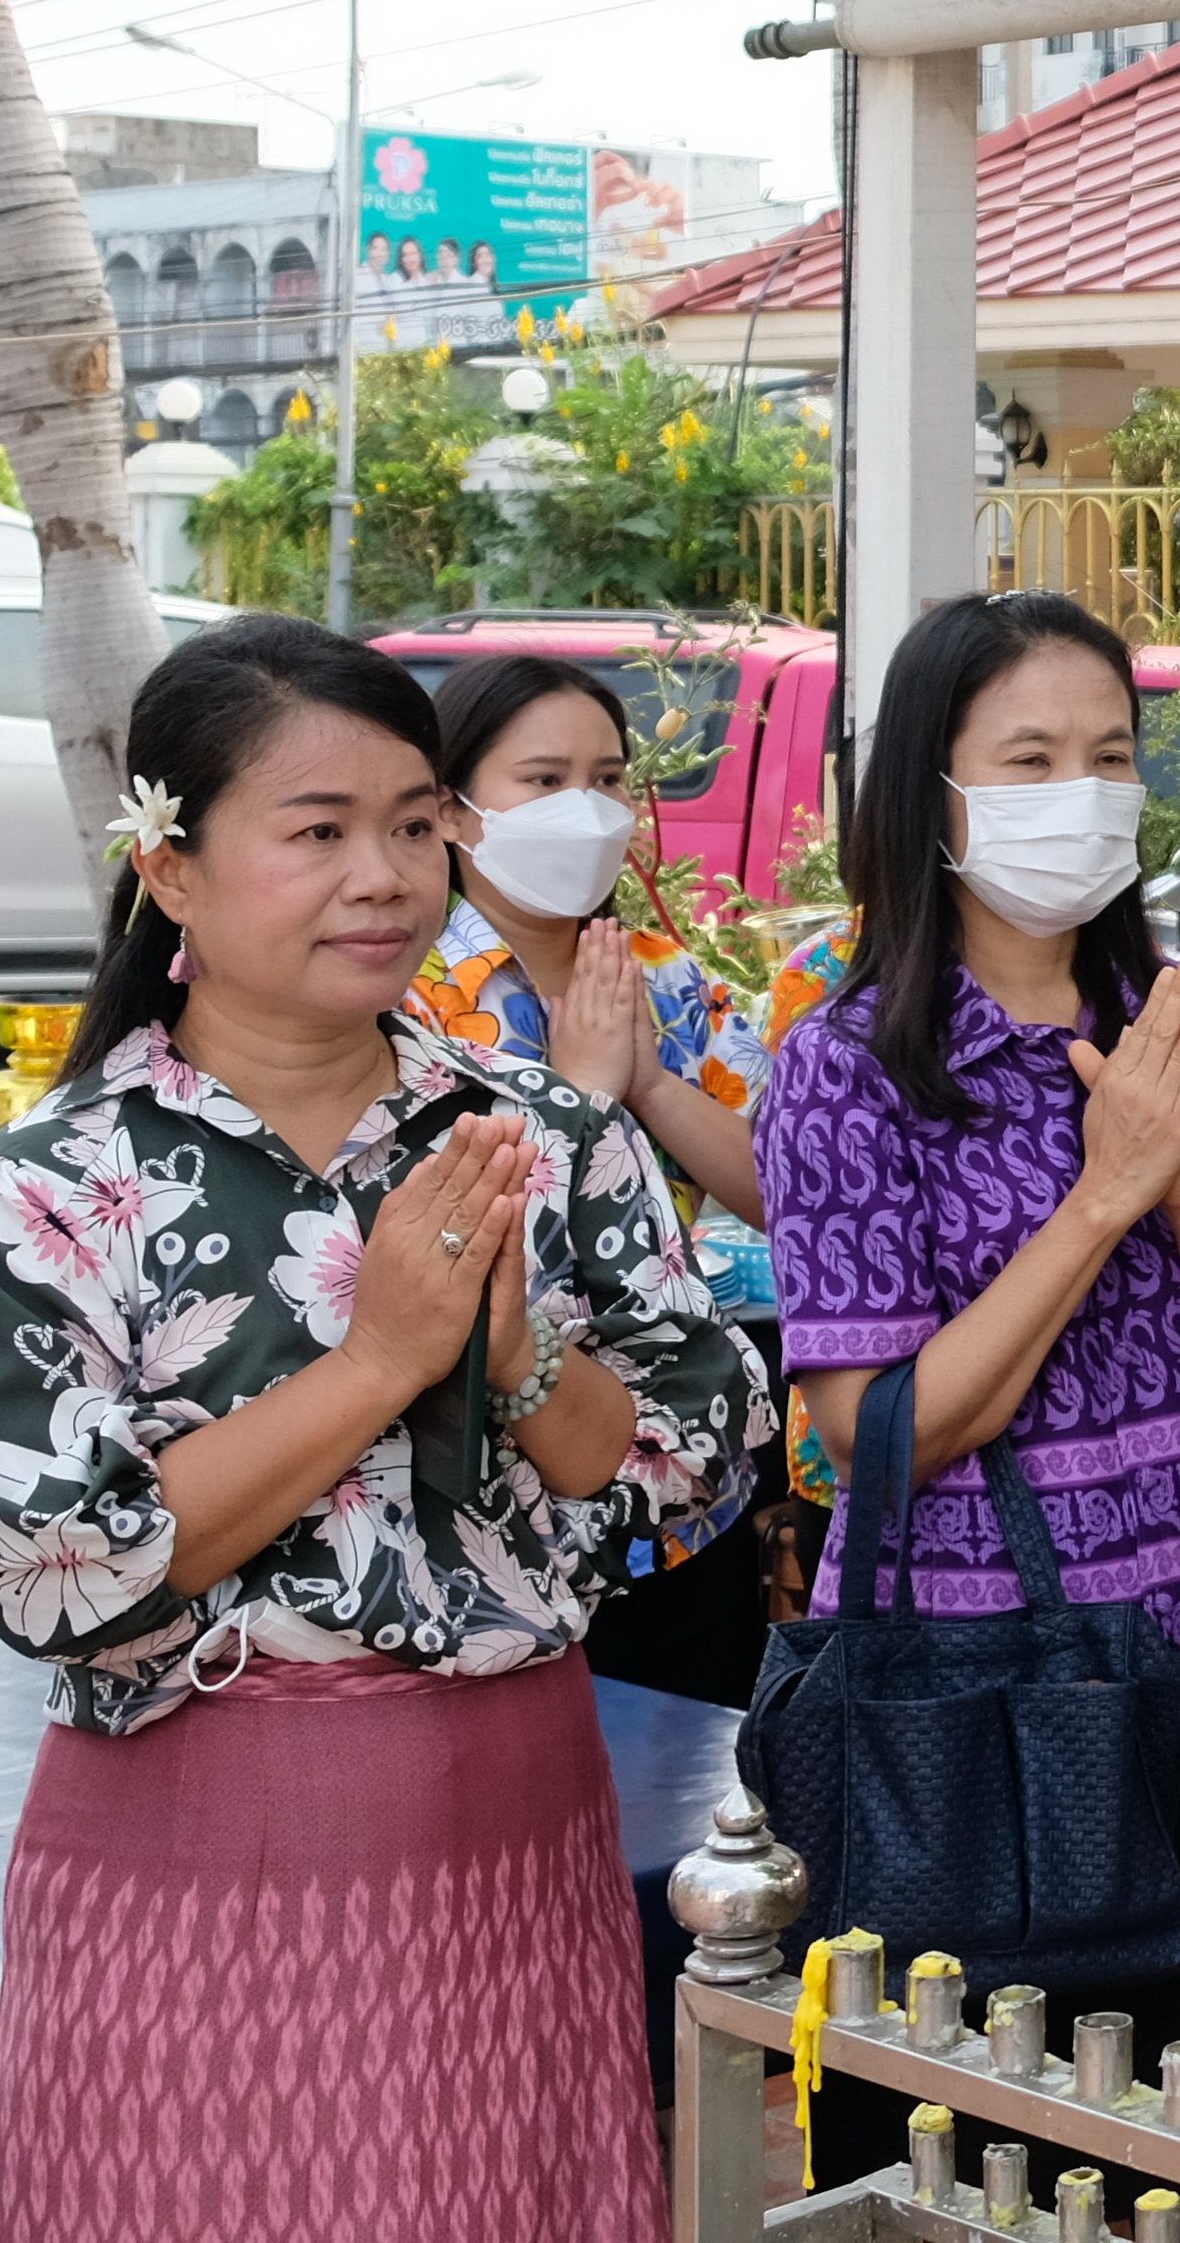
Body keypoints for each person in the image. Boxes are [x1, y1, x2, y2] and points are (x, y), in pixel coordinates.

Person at [0, 615, 768, 2243]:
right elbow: (55, 1563)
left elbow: (687, 1459)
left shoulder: (545, 1137)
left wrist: (515, 1359)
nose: (385, 875)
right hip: (198, 1868)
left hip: (519, 1847)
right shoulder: (34, 1199)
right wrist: (374, 1367)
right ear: (172, 871)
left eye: (418, 825)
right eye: (318, 830)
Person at [755, 589, 1180, 2176]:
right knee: (953, 2154)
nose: (1079, 795)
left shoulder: (1175, 1032)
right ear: (929, 797)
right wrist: (1100, 1198)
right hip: (969, 1713)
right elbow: (890, 1434)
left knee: (1155, 2145)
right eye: (1027, 760)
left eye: (1109, 755)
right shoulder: (847, 1068)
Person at [405, 650, 785, 1707]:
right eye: (544, 778)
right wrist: (575, 1093)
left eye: (610, 777)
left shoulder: (663, 973)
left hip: (680, 1495)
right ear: (456, 809)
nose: (589, 806)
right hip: (494, 1516)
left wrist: (652, 1086)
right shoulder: (414, 995)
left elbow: (784, 1189)